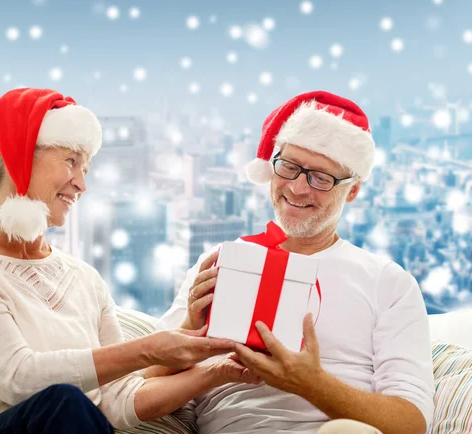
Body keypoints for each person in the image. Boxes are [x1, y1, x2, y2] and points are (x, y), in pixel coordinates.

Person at [0, 88, 260, 434]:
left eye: (86, 168)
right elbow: (18, 379)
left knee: (74, 408)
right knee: (64, 404)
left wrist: (219, 371)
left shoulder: (85, 278)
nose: (82, 184)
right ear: (19, 157)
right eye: (70, 161)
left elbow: (116, 402)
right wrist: (147, 350)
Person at [155, 91, 435, 434]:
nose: (298, 188)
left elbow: (412, 423)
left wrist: (311, 383)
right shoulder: (219, 263)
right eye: (289, 167)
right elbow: (140, 386)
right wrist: (189, 328)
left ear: (352, 190)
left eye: (320, 177)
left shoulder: (387, 282)